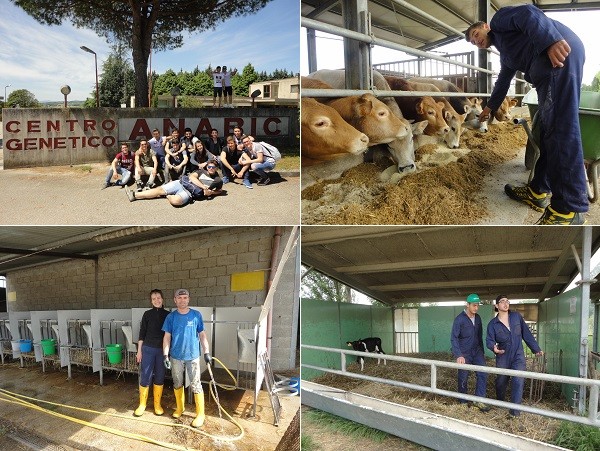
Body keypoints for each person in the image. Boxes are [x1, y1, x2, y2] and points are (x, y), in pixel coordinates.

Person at [465, 5, 587, 225]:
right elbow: (503, 81)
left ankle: (568, 209)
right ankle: (538, 190)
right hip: (549, 66)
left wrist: (549, 41)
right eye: (474, 43)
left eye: (476, 35)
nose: (477, 41)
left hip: (557, 56)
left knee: (560, 129)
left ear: (485, 27)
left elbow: (528, 14)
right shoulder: (507, 53)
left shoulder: (500, 19)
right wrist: (489, 108)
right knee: (549, 131)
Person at [486, 294, 543, 417]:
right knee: (501, 381)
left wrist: (536, 349)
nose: (506, 303)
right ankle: (500, 403)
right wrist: (494, 348)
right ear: (496, 306)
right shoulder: (493, 324)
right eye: (502, 301)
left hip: (518, 354)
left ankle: (514, 413)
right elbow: (489, 340)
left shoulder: (516, 317)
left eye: (507, 301)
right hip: (503, 355)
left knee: (518, 380)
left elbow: (526, 334)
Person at [162, 288, 212, 428]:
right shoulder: (171, 317)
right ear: (175, 300)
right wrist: (165, 355)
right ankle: (180, 408)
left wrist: (207, 351)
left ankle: (200, 414)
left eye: (185, 297)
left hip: (193, 356)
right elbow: (166, 337)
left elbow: (202, 334)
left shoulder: (196, 315)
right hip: (176, 356)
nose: (182, 300)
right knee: (177, 382)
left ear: (188, 299)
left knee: (196, 383)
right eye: (180, 298)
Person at [450, 293, 490, 412]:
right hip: (464, 352)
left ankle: (479, 400)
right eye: (474, 305)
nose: (476, 308)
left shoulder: (478, 318)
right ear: (467, 305)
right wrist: (458, 355)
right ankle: (462, 401)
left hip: (476, 351)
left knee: (483, 373)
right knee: (463, 376)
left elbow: (479, 336)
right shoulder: (459, 319)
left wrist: (482, 352)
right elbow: (454, 338)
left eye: (477, 306)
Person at [134, 289, 170, 417]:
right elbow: (142, 333)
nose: (156, 300)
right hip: (148, 349)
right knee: (145, 375)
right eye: (154, 298)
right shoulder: (147, 314)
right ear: (151, 301)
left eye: (158, 298)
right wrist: (139, 351)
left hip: (162, 351)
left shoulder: (168, 315)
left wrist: (168, 352)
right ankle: (142, 404)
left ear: (162, 299)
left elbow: (170, 335)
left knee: (160, 376)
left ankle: (157, 404)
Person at [125, 160, 222, 206]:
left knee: (175, 202)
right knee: (159, 190)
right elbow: (192, 177)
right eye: (209, 167)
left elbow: (220, 191)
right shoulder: (202, 171)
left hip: (189, 193)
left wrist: (211, 193)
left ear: (216, 168)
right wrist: (204, 187)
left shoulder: (218, 180)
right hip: (181, 183)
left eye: (213, 167)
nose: (211, 169)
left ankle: (168, 195)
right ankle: (134, 194)